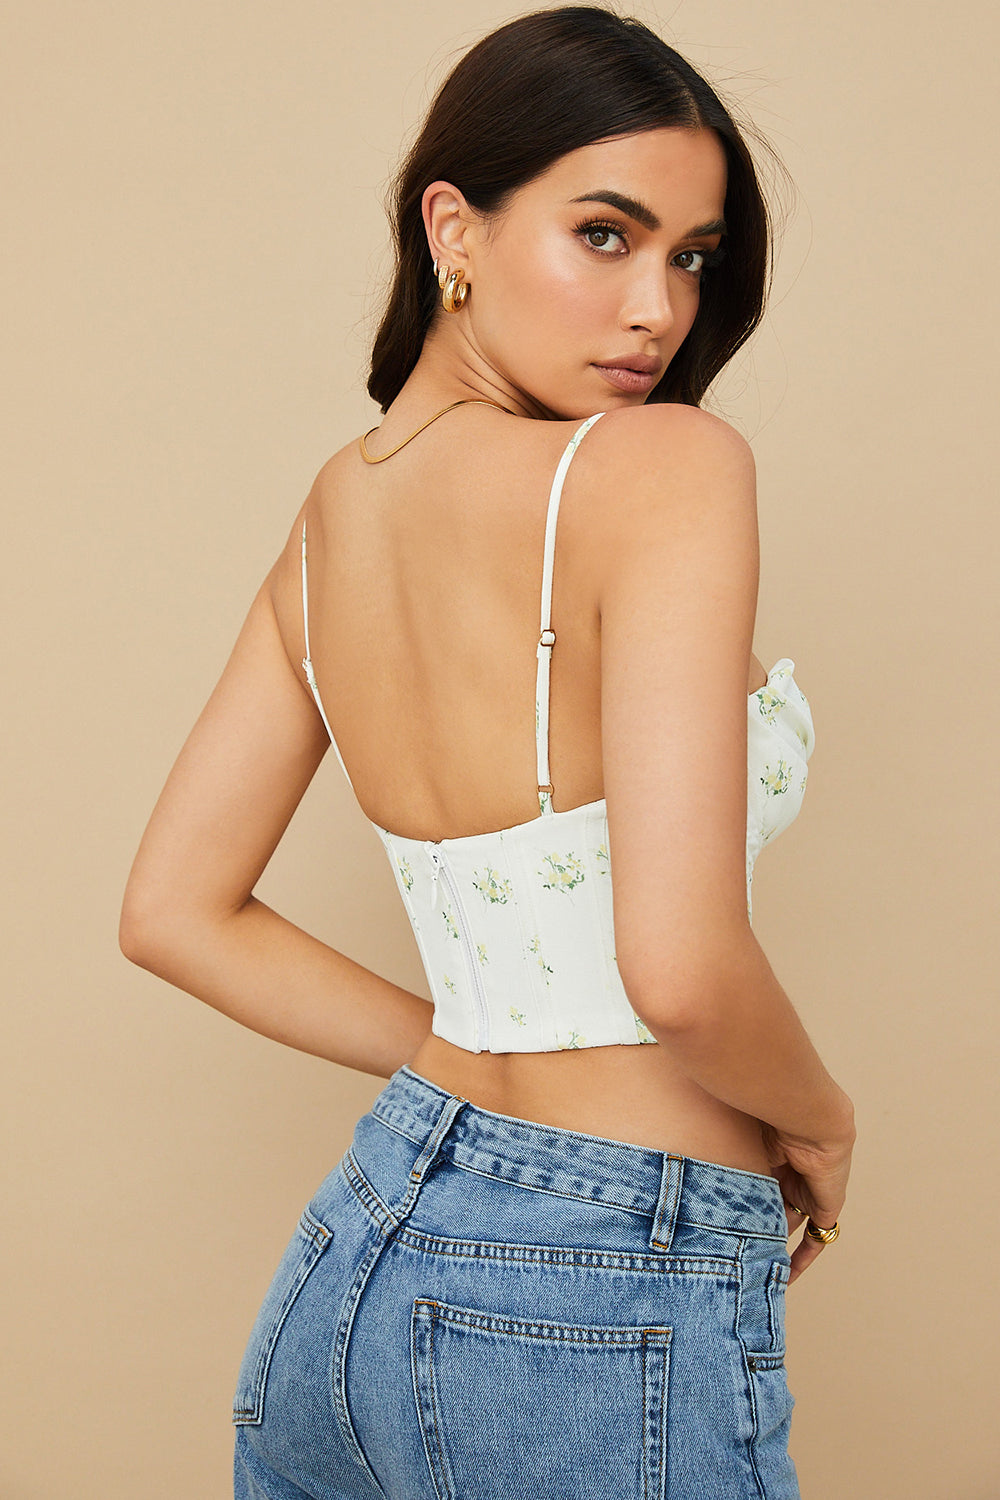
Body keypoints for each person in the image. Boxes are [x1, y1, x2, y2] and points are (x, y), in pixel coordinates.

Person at [119, 7, 856, 1497]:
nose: (657, 307)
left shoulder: (336, 519)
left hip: (361, 1253)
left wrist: (472, 1054)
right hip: (596, 1295)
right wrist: (823, 1124)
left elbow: (171, 912)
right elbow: (683, 968)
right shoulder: (664, 469)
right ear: (452, 226)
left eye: (691, 258)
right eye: (606, 234)